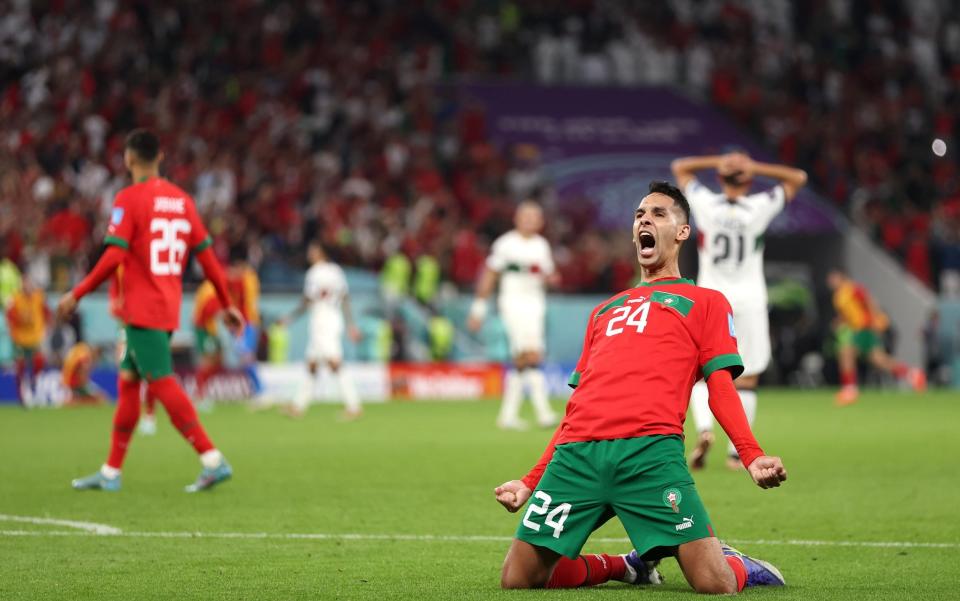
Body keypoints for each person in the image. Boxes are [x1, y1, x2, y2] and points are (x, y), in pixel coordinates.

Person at [493, 182, 787, 594]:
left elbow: (720, 388)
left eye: (659, 213)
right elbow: (578, 407)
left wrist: (751, 454)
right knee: (519, 579)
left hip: (650, 455)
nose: (645, 219)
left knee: (714, 584)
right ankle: (626, 567)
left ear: (682, 232)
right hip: (577, 458)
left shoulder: (706, 302)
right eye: (639, 215)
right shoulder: (603, 311)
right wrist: (531, 479)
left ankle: (737, 563)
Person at [57, 128, 243, 492]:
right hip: (166, 305)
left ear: (128, 159)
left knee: (160, 379)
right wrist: (227, 303)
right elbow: (208, 259)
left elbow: (114, 255)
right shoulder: (183, 201)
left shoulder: (128, 198)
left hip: (142, 308)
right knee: (129, 382)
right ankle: (111, 472)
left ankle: (212, 459)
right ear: (159, 158)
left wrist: (77, 292)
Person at [672, 151, 807, 470]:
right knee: (747, 378)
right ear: (748, 181)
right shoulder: (759, 206)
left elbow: (680, 167)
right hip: (749, 301)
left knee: (703, 373)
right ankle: (736, 453)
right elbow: (798, 177)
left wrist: (718, 161)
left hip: (711, 299)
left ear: (720, 178)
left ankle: (705, 430)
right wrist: (753, 167)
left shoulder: (705, 204)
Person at [468, 201, 559, 430]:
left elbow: (548, 274)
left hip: (536, 304)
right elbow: (490, 275)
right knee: (530, 354)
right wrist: (478, 308)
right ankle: (543, 412)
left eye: (534, 216)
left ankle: (508, 416)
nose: (529, 220)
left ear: (540, 221)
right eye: (525, 216)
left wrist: (552, 278)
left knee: (523, 358)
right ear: (516, 219)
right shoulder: (506, 244)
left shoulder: (541, 245)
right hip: (513, 303)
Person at [279, 242, 362, 419]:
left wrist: (290, 317)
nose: (310, 254)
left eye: (312, 251)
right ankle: (298, 406)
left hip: (322, 320)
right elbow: (345, 297)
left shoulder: (314, 273)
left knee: (334, 362)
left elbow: (308, 299)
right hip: (334, 317)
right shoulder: (336, 271)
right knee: (312, 364)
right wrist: (350, 324)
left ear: (321, 253)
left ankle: (353, 405)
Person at [827, 270, 925, 405]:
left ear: (842, 277)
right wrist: (839, 322)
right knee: (879, 360)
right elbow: (850, 313)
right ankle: (912, 374)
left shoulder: (853, 289)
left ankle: (849, 390)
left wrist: (878, 319)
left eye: (833, 277)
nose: (830, 280)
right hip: (857, 328)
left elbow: (869, 302)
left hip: (864, 327)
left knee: (846, 352)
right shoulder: (838, 296)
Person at [226, 247, 263, 398]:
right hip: (245, 323)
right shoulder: (248, 277)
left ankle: (261, 390)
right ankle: (257, 390)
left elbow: (248, 302)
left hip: (247, 323)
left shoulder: (247, 278)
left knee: (246, 355)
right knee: (245, 356)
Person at [6, 277, 48, 406]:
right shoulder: (15, 299)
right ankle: (21, 395)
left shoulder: (39, 297)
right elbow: (10, 318)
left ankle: (34, 381)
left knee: (39, 361)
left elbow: (46, 313)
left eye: (29, 285)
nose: (27, 288)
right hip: (20, 339)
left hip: (35, 338)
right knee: (20, 366)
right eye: (25, 285)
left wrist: (44, 328)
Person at [192, 279, 225, 406]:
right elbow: (208, 312)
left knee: (217, 360)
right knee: (207, 362)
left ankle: (202, 393)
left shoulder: (209, 288)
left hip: (211, 330)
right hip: (205, 330)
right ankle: (199, 396)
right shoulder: (210, 290)